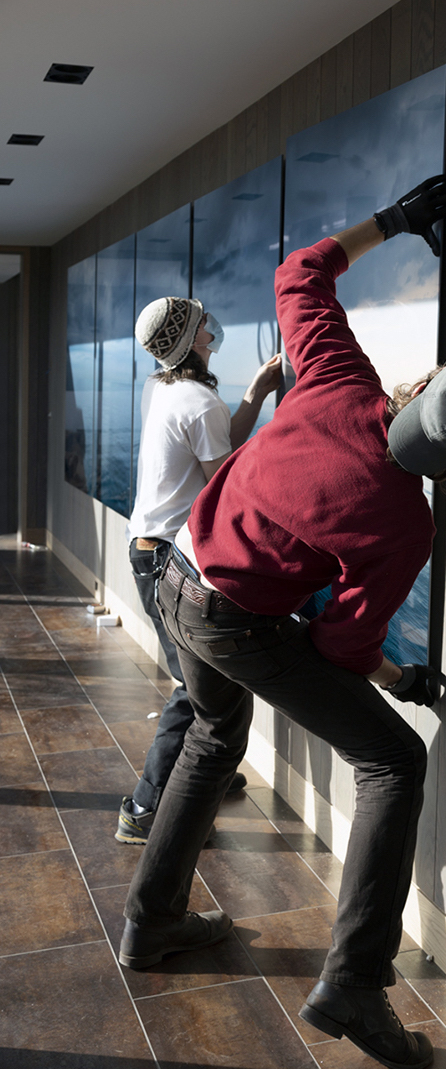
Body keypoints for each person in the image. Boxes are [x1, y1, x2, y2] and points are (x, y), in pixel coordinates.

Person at [117, 176, 446, 1070]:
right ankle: (354, 986)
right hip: (230, 618)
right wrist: (403, 681)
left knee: (214, 736)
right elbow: (342, 644)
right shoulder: (405, 521)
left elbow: (301, 273)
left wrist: (402, 218)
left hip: (178, 570)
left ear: (424, 382)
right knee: (392, 759)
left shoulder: (340, 376)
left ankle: (151, 923)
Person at [116, 296, 281, 843]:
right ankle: (145, 809)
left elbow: (220, 445)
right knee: (195, 690)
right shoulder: (199, 400)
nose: (213, 328)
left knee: (199, 682)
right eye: (202, 323)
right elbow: (225, 481)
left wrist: (256, 393)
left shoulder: (166, 388)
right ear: (191, 340)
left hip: (147, 547)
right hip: (169, 557)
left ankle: (206, 772)